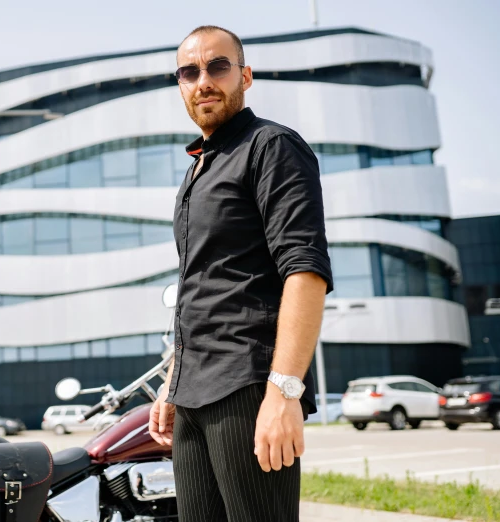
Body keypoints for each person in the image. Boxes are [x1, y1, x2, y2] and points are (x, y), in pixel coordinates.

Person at [148, 26, 333, 521]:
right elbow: (201, 287)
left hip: (246, 387)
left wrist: (284, 391)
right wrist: (172, 380)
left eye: (218, 67)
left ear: (244, 76)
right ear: (181, 86)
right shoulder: (197, 169)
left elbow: (305, 271)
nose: (203, 80)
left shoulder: (271, 146)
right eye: (190, 72)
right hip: (193, 396)